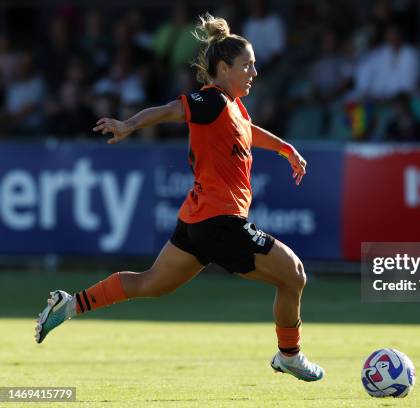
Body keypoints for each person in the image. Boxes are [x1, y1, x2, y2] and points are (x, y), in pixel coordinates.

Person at [34, 13, 324, 383]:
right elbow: (172, 110)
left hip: (198, 220)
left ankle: (70, 303)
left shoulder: (233, 107)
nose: (254, 72)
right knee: (294, 276)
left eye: (255, 65)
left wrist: (285, 148)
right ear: (223, 68)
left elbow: (249, 131)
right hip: (220, 221)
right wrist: (129, 124)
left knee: (151, 283)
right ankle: (290, 355)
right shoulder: (212, 100)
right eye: (247, 66)